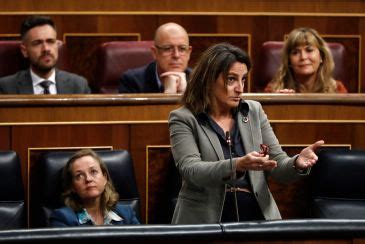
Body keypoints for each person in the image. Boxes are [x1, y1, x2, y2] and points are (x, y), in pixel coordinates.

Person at [168, 43, 324, 224]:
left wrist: (297, 163)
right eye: (231, 79)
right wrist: (237, 165)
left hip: (256, 217)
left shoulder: (253, 110)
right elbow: (191, 170)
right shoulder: (184, 118)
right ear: (209, 79)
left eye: (243, 79)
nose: (240, 88)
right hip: (204, 220)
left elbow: (278, 164)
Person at [0, 15, 90, 94]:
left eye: (50, 41)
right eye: (37, 43)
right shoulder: (6, 88)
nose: (46, 49)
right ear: (24, 50)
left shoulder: (78, 86)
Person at [50, 149, 139, 226]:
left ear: (105, 178)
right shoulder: (62, 219)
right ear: (72, 186)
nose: (88, 179)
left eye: (93, 172)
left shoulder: (127, 214)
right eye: (79, 175)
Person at [264, 27, 347, 93]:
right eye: (295, 52)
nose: (303, 57)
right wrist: (278, 103)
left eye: (309, 50)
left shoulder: (337, 90)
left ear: (321, 56)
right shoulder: (272, 91)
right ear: (289, 60)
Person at [119, 22, 192, 94]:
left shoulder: (199, 80)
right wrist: (169, 94)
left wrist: (184, 94)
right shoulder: (132, 81)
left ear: (189, 53)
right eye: (168, 48)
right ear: (154, 53)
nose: (176, 55)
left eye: (182, 49)